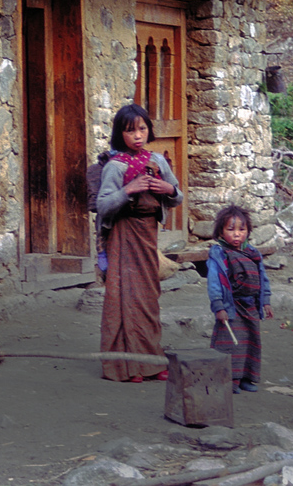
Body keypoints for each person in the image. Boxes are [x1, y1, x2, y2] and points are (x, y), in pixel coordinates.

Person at [96, 103, 183, 382]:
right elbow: (103, 205)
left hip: (147, 235)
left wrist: (169, 189)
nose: (137, 135)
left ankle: (152, 363)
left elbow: (177, 195)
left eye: (142, 129)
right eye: (130, 130)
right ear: (120, 134)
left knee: (147, 298)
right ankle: (126, 366)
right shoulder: (114, 166)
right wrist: (127, 190)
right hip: (122, 234)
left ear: (149, 130)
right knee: (123, 297)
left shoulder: (158, 161)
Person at [207, 204, 274, 394]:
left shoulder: (253, 253)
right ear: (221, 231)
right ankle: (229, 380)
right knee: (230, 344)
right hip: (232, 307)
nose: (237, 234)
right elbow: (214, 282)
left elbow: (263, 278)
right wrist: (218, 306)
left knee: (250, 343)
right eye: (231, 229)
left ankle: (246, 378)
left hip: (251, 306)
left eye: (241, 229)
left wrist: (266, 301)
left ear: (248, 231)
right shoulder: (219, 253)